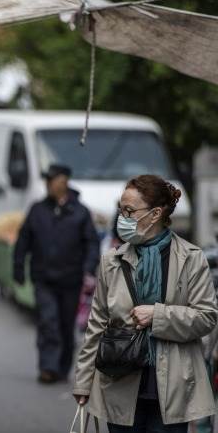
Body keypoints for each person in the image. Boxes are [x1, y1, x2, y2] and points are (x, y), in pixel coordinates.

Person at [74, 174, 218, 432]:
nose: (122, 217)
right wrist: (83, 383)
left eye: (129, 211)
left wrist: (158, 316)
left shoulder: (191, 259)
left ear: (154, 214)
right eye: (121, 209)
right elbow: (96, 325)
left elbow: (206, 316)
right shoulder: (112, 261)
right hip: (119, 382)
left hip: (173, 390)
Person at [13, 163, 99, 384]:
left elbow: (91, 243)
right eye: (47, 181)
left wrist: (89, 267)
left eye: (53, 180)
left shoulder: (80, 212)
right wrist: (19, 267)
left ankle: (62, 367)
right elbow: (23, 240)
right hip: (44, 278)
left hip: (71, 279)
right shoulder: (37, 209)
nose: (49, 185)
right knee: (48, 321)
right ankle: (48, 367)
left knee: (65, 324)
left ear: (64, 182)